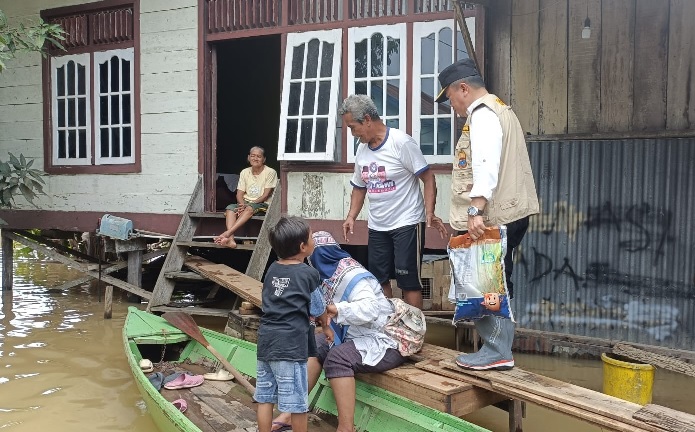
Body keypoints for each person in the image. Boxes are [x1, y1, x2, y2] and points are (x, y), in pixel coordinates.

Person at [435, 58, 539, 370]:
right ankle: (498, 348)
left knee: (485, 282)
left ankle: (496, 351)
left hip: (492, 215)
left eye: (450, 97)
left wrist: (475, 210)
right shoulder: (501, 110)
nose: (451, 104)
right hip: (509, 212)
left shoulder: (482, 114)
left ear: (463, 88)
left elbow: (485, 164)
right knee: (495, 280)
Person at [271, 231, 408, 432]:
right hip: (355, 335)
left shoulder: (352, 275)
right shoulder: (327, 277)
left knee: (337, 358)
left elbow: (371, 310)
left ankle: (346, 428)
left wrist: (338, 310)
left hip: (385, 340)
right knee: (314, 346)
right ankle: (292, 413)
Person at [340, 95, 447, 309]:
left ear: (367, 119)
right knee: (379, 279)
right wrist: (351, 215)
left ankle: (413, 330)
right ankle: (388, 328)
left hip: (406, 222)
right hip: (378, 224)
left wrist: (429, 212)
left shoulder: (401, 142)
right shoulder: (362, 149)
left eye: (353, 127)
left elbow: (428, 178)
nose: (352, 134)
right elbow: (359, 187)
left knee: (408, 281)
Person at [254, 217, 333, 432]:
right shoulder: (309, 274)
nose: (313, 239)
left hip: (266, 341)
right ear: (302, 247)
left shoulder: (272, 269)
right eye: (311, 236)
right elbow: (318, 308)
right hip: (291, 345)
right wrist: (326, 326)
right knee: (298, 404)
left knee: (265, 397)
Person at [214, 146, 277, 248]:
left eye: (258, 156)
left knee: (249, 209)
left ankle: (227, 233)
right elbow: (239, 193)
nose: (255, 159)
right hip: (246, 203)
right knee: (230, 208)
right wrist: (242, 204)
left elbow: (266, 195)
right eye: (253, 156)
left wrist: (248, 206)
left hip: (263, 203)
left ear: (264, 159)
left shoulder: (270, 172)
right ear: (248, 157)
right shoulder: (244, 172)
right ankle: (231, 240)